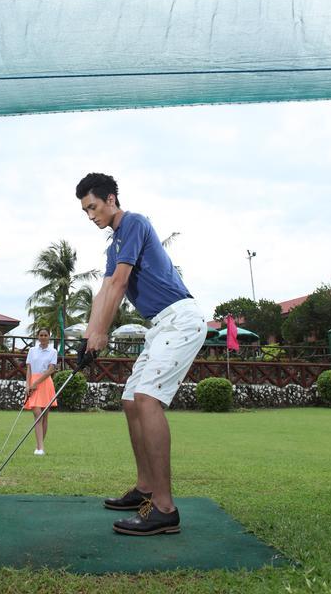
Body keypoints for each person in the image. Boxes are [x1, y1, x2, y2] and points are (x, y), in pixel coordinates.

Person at [75, 172, 207, 536]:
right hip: (160, 327)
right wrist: (88, 338)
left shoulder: (133, 222)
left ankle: (164, 509)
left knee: (147, 399)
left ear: (111, 199)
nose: (91, 216)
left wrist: (102, 332)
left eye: (93, 207)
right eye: (85, 211)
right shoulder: (113, 245)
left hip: (180, 319)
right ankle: (145, 489)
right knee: (132, 400)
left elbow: (120, 283)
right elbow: (103, 292)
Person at [24, 327, 58, 455]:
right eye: (41, 335)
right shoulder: (32, 350)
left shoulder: (53, 351)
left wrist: (35, 383)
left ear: (49, 337)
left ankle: (39, 446)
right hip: (32, 382)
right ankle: (40, 448)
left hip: (45, 384)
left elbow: (51, 370)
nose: (43, 337)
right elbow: (29, 368)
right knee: (37, 413)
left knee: (44, 416)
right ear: (38, 336)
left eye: (45, 335)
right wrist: (28, 385)